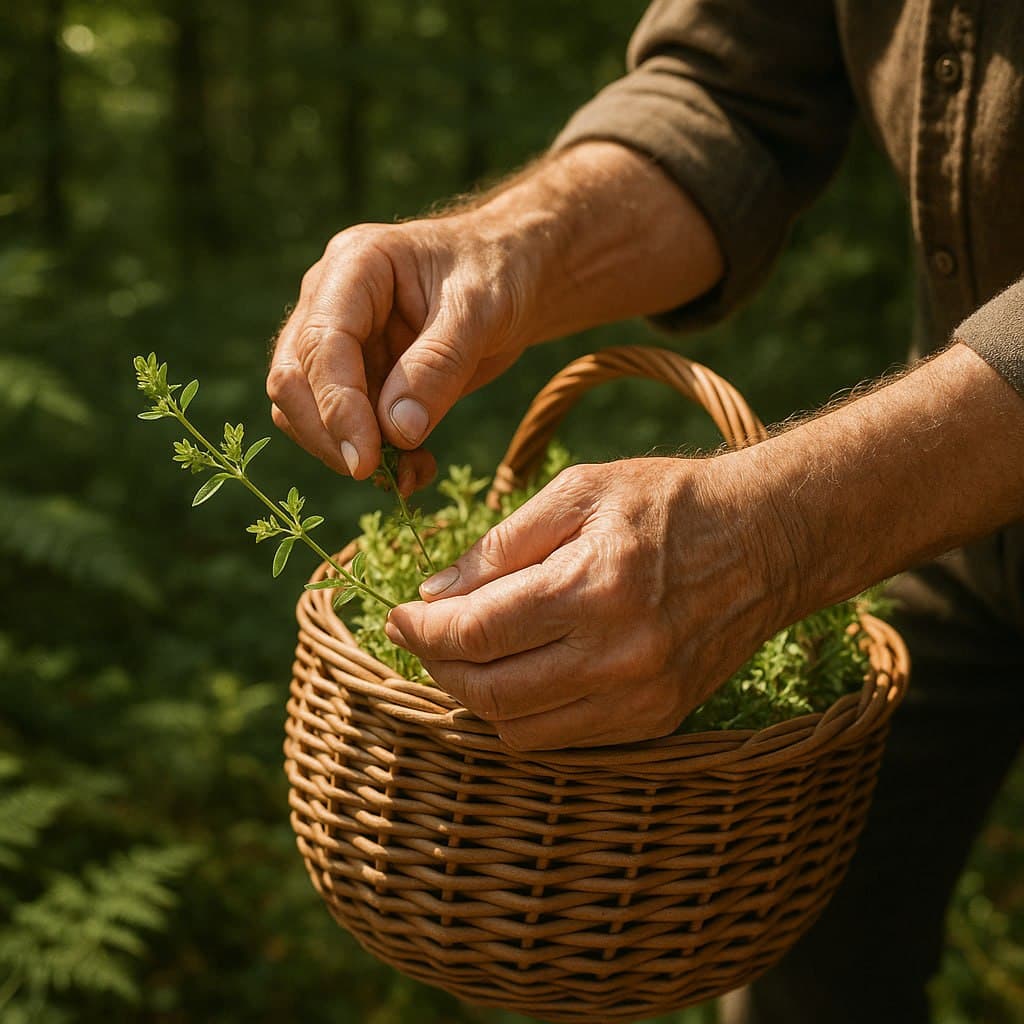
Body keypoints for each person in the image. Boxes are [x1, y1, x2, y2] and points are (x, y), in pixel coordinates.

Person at [266, 2, 1024, 1020]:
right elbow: (731, 98)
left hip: (917, 477)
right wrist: (502, 246)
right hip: (958, 514)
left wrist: (779, 531)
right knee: (806, 959)